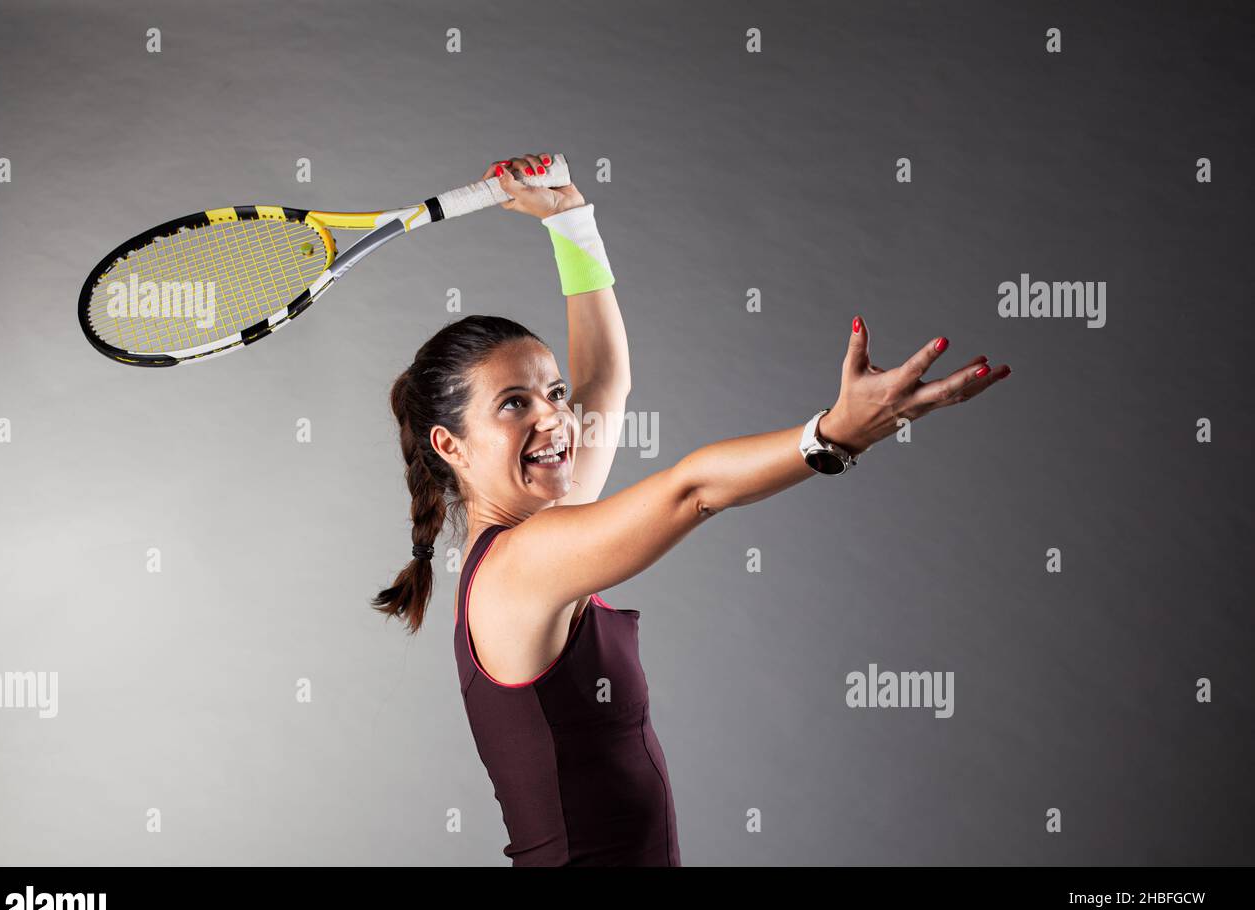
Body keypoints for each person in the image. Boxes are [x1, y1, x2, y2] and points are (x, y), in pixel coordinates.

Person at [373, 151, 1011, 866]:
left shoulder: (537, 538)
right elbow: (692, 490)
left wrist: (570, 221)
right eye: (514, 404)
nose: (555, 419)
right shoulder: (522, 565)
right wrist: (828, 437)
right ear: (450, 444)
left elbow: (606, 379)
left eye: (551, 395)